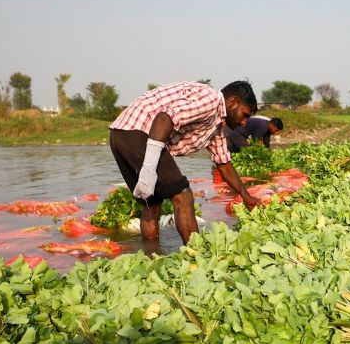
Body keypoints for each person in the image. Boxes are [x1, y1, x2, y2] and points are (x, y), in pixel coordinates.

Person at [109, 80, 263, 244]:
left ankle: (151, 257)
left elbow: (223, 163)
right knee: (183, 196)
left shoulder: (216, 126)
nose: (244, 123)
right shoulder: (211, 99)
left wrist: (246, 197)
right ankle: (196, 256)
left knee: (151, 203)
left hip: (119, 135)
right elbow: (166, 117)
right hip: (138, 132)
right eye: (245, 115)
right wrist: (149, 167)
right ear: (233, 102)